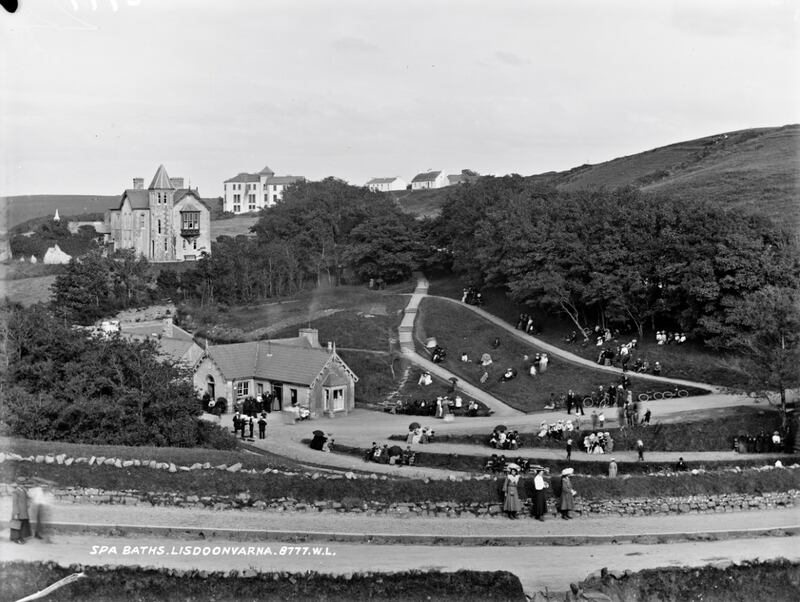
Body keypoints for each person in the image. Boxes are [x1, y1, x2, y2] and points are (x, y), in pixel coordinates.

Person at [10, 478, 31, 544]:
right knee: (16, 525)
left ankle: (21, 537)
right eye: (21, 484)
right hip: (18, 511)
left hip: (24, 512)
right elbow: (15, 503)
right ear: (18, 484)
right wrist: (16, 512)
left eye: (23, 484)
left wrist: (28, 504)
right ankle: (15, 538)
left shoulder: (24, 491)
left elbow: (28, 498)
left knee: (23, 525)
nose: (22, 485)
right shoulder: (15, 492)